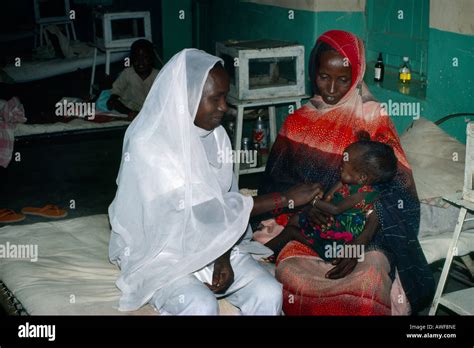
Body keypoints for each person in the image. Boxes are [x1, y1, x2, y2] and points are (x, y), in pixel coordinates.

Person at [108, 48, 322, 315]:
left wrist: (222, 255)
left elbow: (219, 206)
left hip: (214, 242)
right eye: (216, 98)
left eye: (225, 97)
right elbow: (194, 211)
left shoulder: (216, 135)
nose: (224, 107)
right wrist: (282, 198)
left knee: (270, 293)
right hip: (165, 250)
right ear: (185, 98)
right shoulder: (148, 144)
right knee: (201, 305)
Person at [257, 30, 435, 314]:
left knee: (368, 282)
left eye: (343, 80)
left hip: (365, 232)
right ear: (313, 72)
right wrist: (304, 208)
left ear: (357, 76)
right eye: (323, 77)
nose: (331, 89)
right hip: (307, 225)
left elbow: (395, 193)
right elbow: (275, 184)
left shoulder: (374, 119)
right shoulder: (297, 121)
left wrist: (360, 244)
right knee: (295, 278)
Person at [260, 140, 397, 262]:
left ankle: (261, 254)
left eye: (344, 165)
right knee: (296, 218)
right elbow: (328, 199)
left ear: (362, 177)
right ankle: (269, 252)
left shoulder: (362, 194)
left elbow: (335, 209)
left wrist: (311, 201)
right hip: (331, 221)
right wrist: (319, 202)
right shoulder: (345, 181)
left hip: (339, 237)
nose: (340, 166)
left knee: (291, 232)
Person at [106, 39, 159, 120]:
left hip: (148, 110)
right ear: (132, 59)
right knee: (113, 102)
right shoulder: (128, 73)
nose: (140, 62)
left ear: (151, 59)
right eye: (136, 58)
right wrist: (113, 100)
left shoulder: (158, 76)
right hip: (128, 108)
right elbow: (115, 93)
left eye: (145, 57)